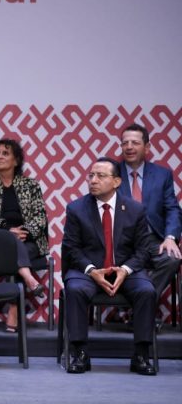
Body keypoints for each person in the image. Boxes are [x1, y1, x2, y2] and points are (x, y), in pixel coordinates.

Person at [62, 157, 156, 375]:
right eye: (91, 176)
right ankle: (80, 353)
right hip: (88, 271)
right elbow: (71, 248)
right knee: (75, 289)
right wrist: (91, 271)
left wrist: (125, 270)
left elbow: (143, 250)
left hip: (126, 271)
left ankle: (141, 355)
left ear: (116, 182)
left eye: (100, 176)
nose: (93, 180)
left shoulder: (135, 209)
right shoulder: (76, 208)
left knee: (146, 291)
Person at [0, 138, 47, 332]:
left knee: (17, 250)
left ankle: (13, 308)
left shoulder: (31, 185)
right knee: (12, 247)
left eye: (5, 153)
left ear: (16, 160)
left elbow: (40, 217)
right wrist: (6, 230)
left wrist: (23, 232)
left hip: (27, 240)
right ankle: (29, 281)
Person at [117, 123, 181, 327]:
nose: (129, 147)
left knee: (171, 259)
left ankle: (136, 308)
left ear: (147, 147)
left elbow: (172, 209)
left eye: (135, 142)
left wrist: (170, 237)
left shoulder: (162, 174)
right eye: (125, 143)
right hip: (120, 242)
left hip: (152, 239)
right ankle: (143, 312)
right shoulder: (111, 173)